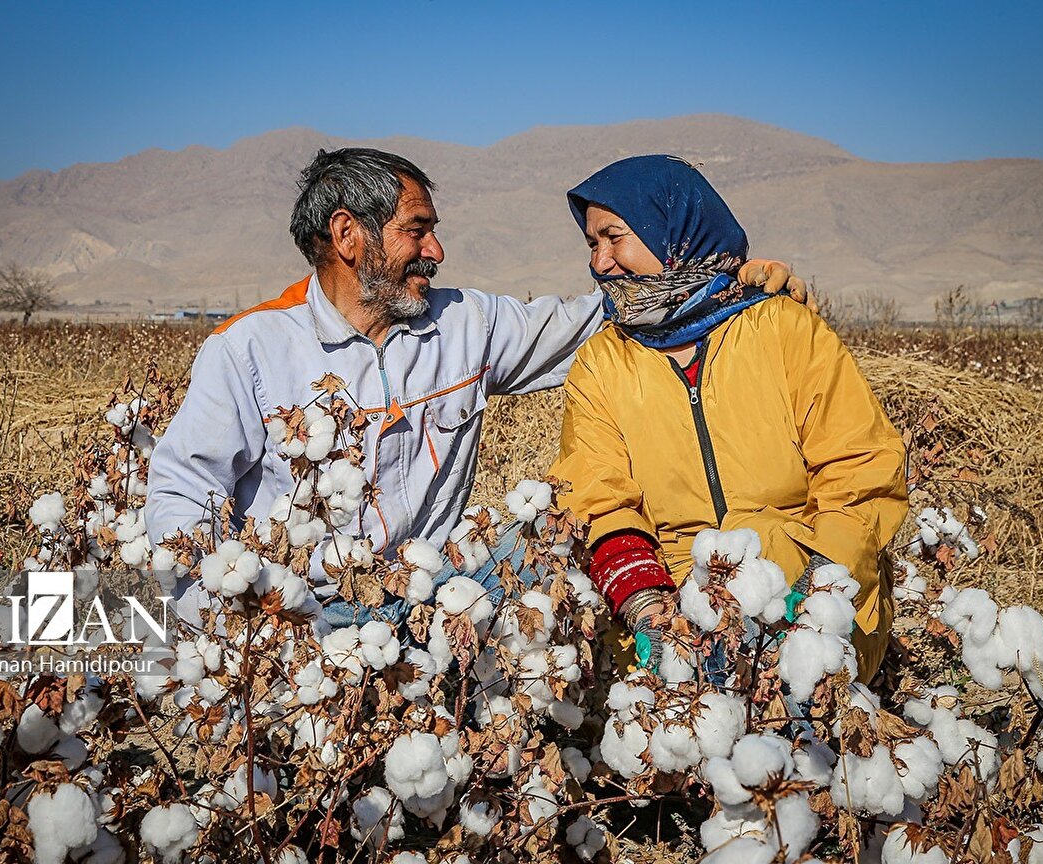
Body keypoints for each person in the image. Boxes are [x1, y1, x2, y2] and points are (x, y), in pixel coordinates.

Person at [145, 148, 804, 628]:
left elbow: (594, 320)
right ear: (347, 234)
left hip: (438, 598)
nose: (436, 251)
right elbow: (181, 493)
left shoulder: (468, 324)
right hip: (306, 613)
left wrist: (727, 283)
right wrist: (237, 617)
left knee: (554, 528)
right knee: (103, 611)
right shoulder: (249, 349)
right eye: (416, 229)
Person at [549, 155, 908, 683]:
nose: (600, 262)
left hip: (807, 582)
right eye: (591, 245)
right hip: (669, 601)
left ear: (671, 230)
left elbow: (858, 475)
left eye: (614, 237)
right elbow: (596, 498)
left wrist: (813, 593)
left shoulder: (783, 328)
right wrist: (648, 608)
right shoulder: (604, 362)